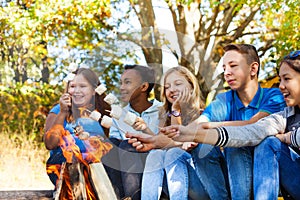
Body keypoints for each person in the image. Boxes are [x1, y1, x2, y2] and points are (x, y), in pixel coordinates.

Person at [127, 44, 286, 200]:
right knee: (197, 146)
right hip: (228, 177)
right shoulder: (223, 100)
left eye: (233, 66)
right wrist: (155, 141)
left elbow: (256, 125)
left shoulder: (274, 95)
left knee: (234, 140)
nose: (227, 73)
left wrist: (203, 130)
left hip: (262, 174)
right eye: (224, 68)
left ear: (253, 69)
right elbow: (198, 125)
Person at [134, 66, 209, 200]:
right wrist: (145, 128)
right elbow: (161, 143)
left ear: (191, 87)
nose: (172, 89)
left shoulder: (204, 115)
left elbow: (178, 139)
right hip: (173, 180)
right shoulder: (165, 116)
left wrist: (176, 109)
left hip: (200, 183)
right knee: (156, 153)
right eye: (167, 87)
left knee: (174, 153)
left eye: (178, 84)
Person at [44, 68, 111, 189]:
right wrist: (63, 112)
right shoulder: (57, 111)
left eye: (83, 86)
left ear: (94, 91)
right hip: (64, 164)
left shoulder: (102, 113)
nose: (77, 91)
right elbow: (50, 144)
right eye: (73, 86)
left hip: (98, 168)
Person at [101, 64, 162, 200]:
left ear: (144, 87)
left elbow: (166, 143)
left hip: (154, 163)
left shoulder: (162, 111)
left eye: (127, 82)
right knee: (110, 144)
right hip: (125, 169)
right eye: (121, 83)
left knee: (128, 145)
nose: (122, 87)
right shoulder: (119, 115)